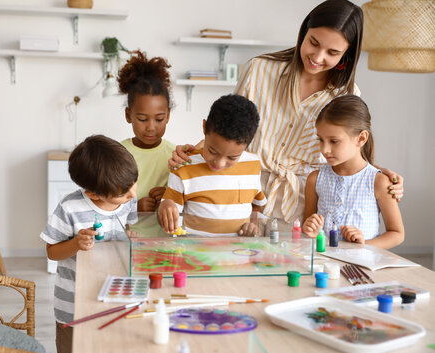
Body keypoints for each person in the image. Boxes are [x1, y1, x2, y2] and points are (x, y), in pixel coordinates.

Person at [169, 0, 403, 224]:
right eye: (313, 42)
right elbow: (231, 130)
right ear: (304, 32)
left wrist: (380, 176)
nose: (318, 57)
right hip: (243, 196)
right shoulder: (259, 70)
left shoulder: (346, 95)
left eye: (332, 52)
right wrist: (197, 150)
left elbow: (349, 155)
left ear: (346, 55)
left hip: (306, 207)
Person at [40, 135, 138, 353]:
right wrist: (75, 243)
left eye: (134, 183)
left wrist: (133, 235)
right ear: (93, 194)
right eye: (123, 194)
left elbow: (131, 228)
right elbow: (51, 251)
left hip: (115, 300)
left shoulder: (128, 199)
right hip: (74, 306)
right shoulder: (69, 208)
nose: (133, 194)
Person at [302, 95, 404, 249]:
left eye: (334, 141)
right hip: (324, 266)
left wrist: (364, 245)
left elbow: (397, 234)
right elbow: (308, 228)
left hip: (363, 268)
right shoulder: (314, 180)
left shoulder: (379, 182)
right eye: (321, 140)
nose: (324, 149)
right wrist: (310, 229)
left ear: (361, 138)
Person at [158, 94, 266, 236]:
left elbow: (257, 206)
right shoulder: (183, 166)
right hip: (194, 254)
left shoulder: (253, 164)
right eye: (212, 151)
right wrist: (165, 206)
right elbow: (168, 218)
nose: (219, 163)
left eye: (232, 157)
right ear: (204, 128)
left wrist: (252, 226)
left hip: (237, 254)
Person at [118, 50, 176, 212]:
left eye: (159, 119)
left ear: (168, 116)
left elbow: (187, 199)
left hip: (163, 236)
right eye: (143, 119)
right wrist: (134, 208)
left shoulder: (175, 156)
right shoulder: (118, 154)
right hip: (127, 235)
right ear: (128, 115)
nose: (151, 127)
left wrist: (169, 196)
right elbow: (105, 202)